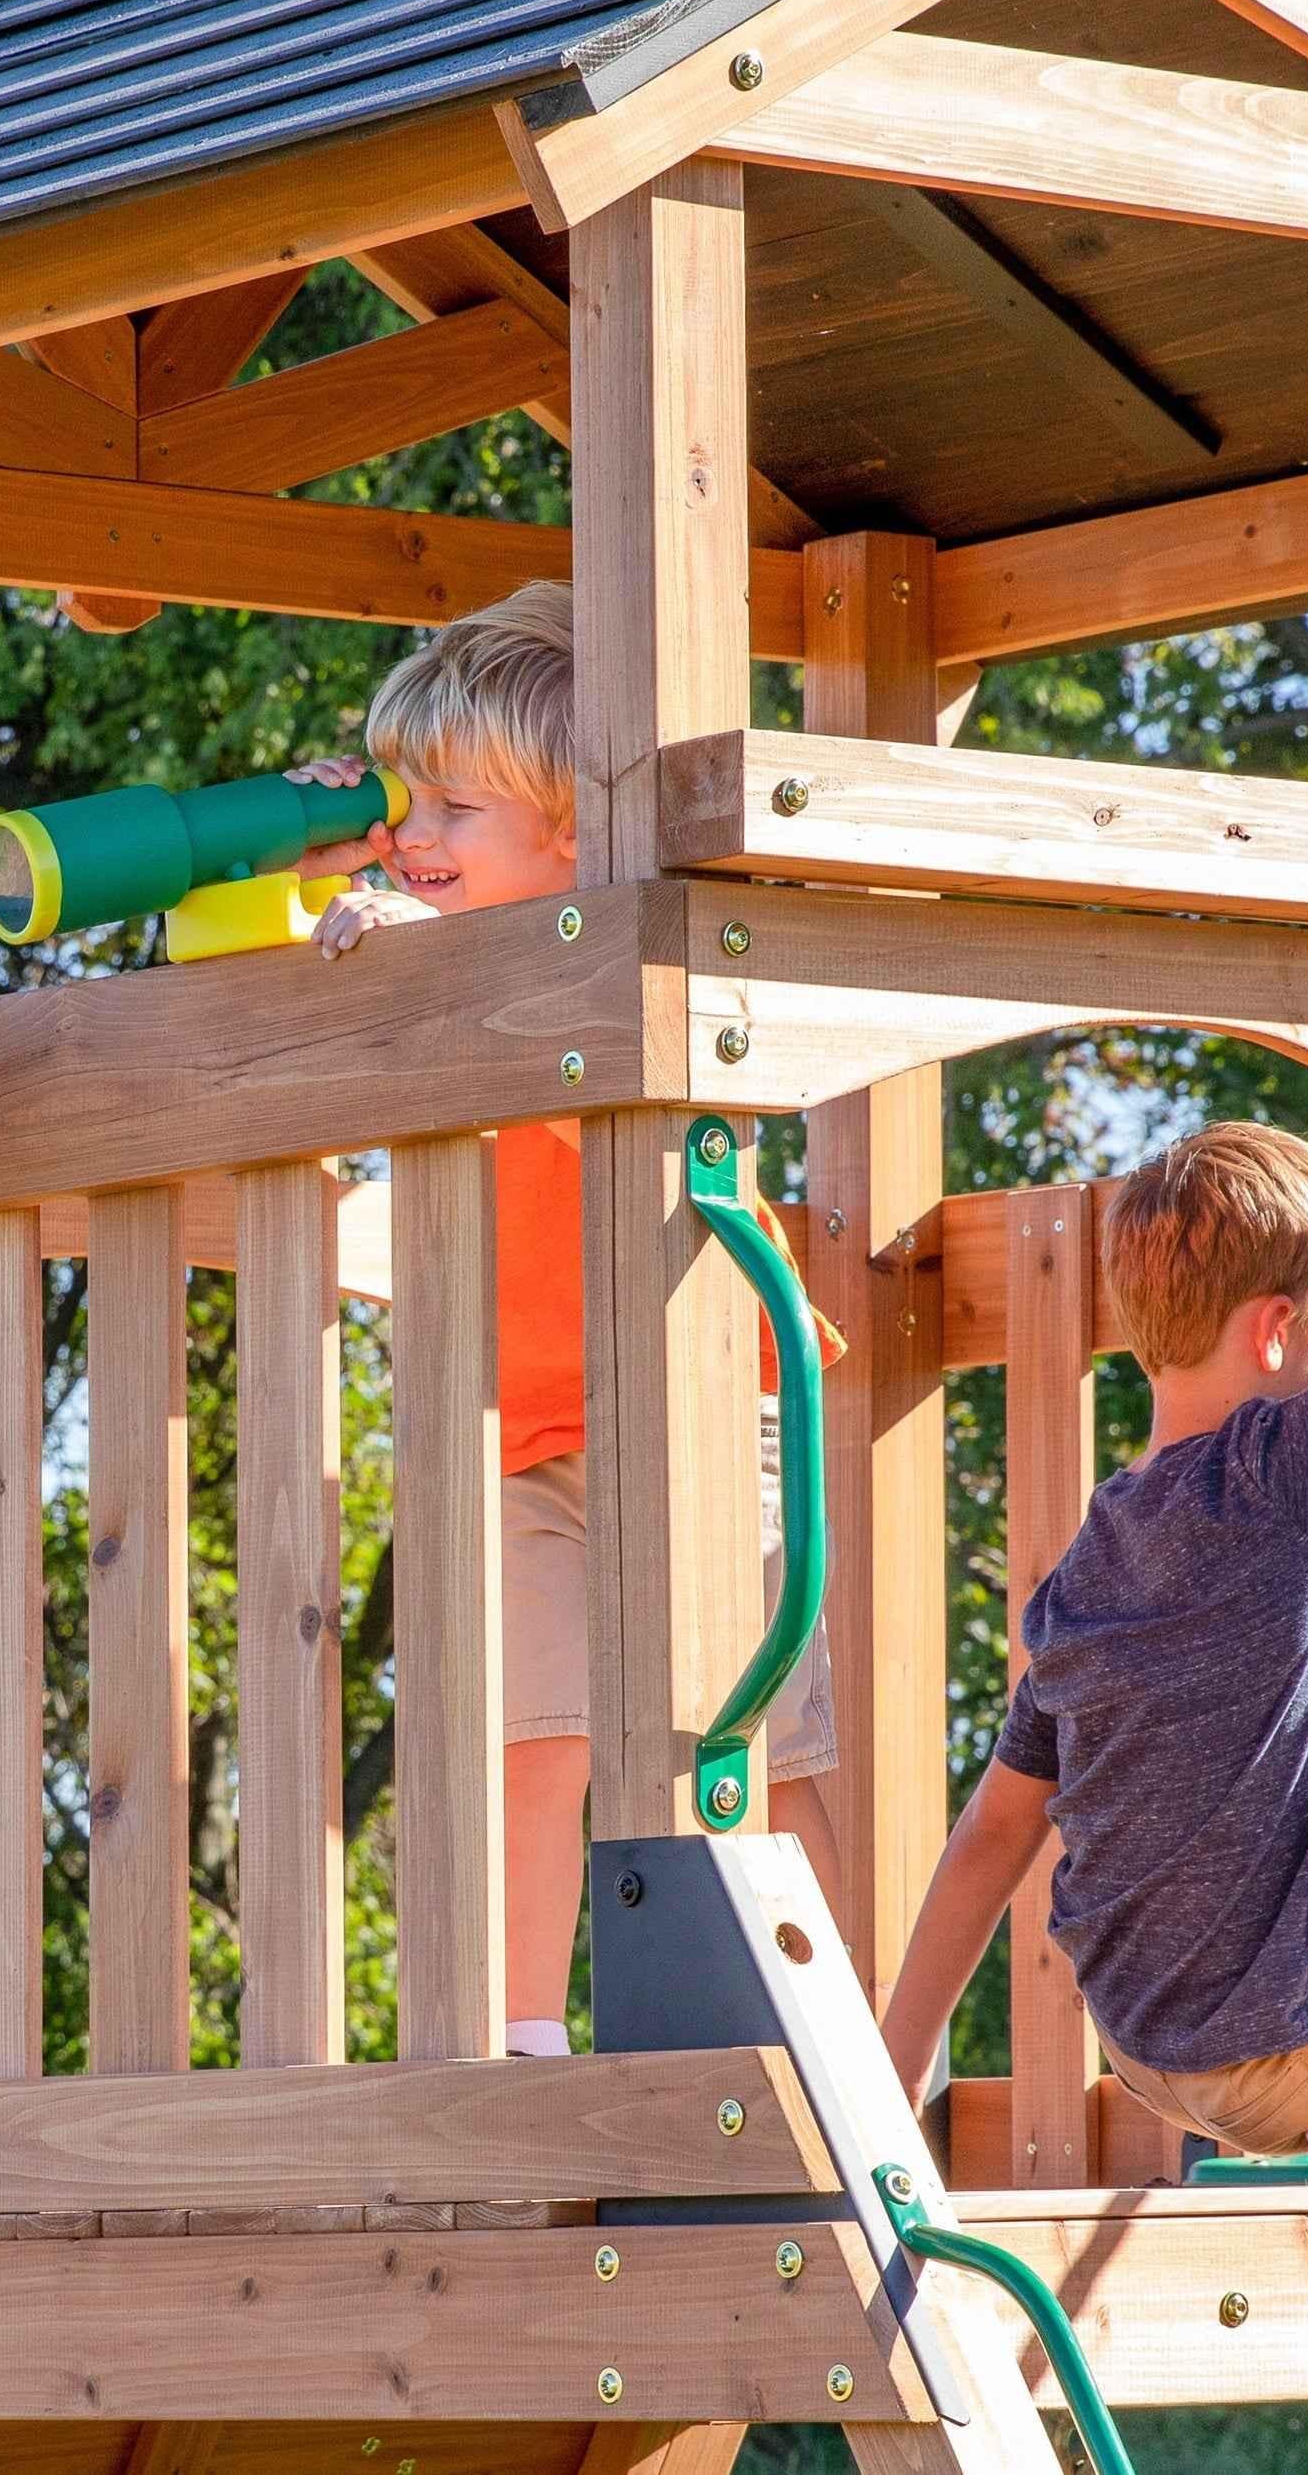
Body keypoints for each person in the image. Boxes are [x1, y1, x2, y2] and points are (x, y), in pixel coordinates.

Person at [290, 581, 843, 2062]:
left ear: (574, 839)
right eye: (406, 806)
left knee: (763, 1743)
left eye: (453, 812)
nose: (412, 840)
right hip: (526, 1432)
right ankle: (522, 2041)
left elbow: (551, 1044)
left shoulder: (627, 949)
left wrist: (421, 952)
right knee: (529, 1732)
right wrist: (338, 913)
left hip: (707, 1402)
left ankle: (843, 2042)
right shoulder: (433, 961)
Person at [881, 1122, 1308, 2161]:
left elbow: (994, 1828)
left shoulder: (1089, 1565)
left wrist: (892, 2060)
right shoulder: (1284, 1456)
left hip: (1147, 2048)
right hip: (1286, 2024)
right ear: (1271, 1334)